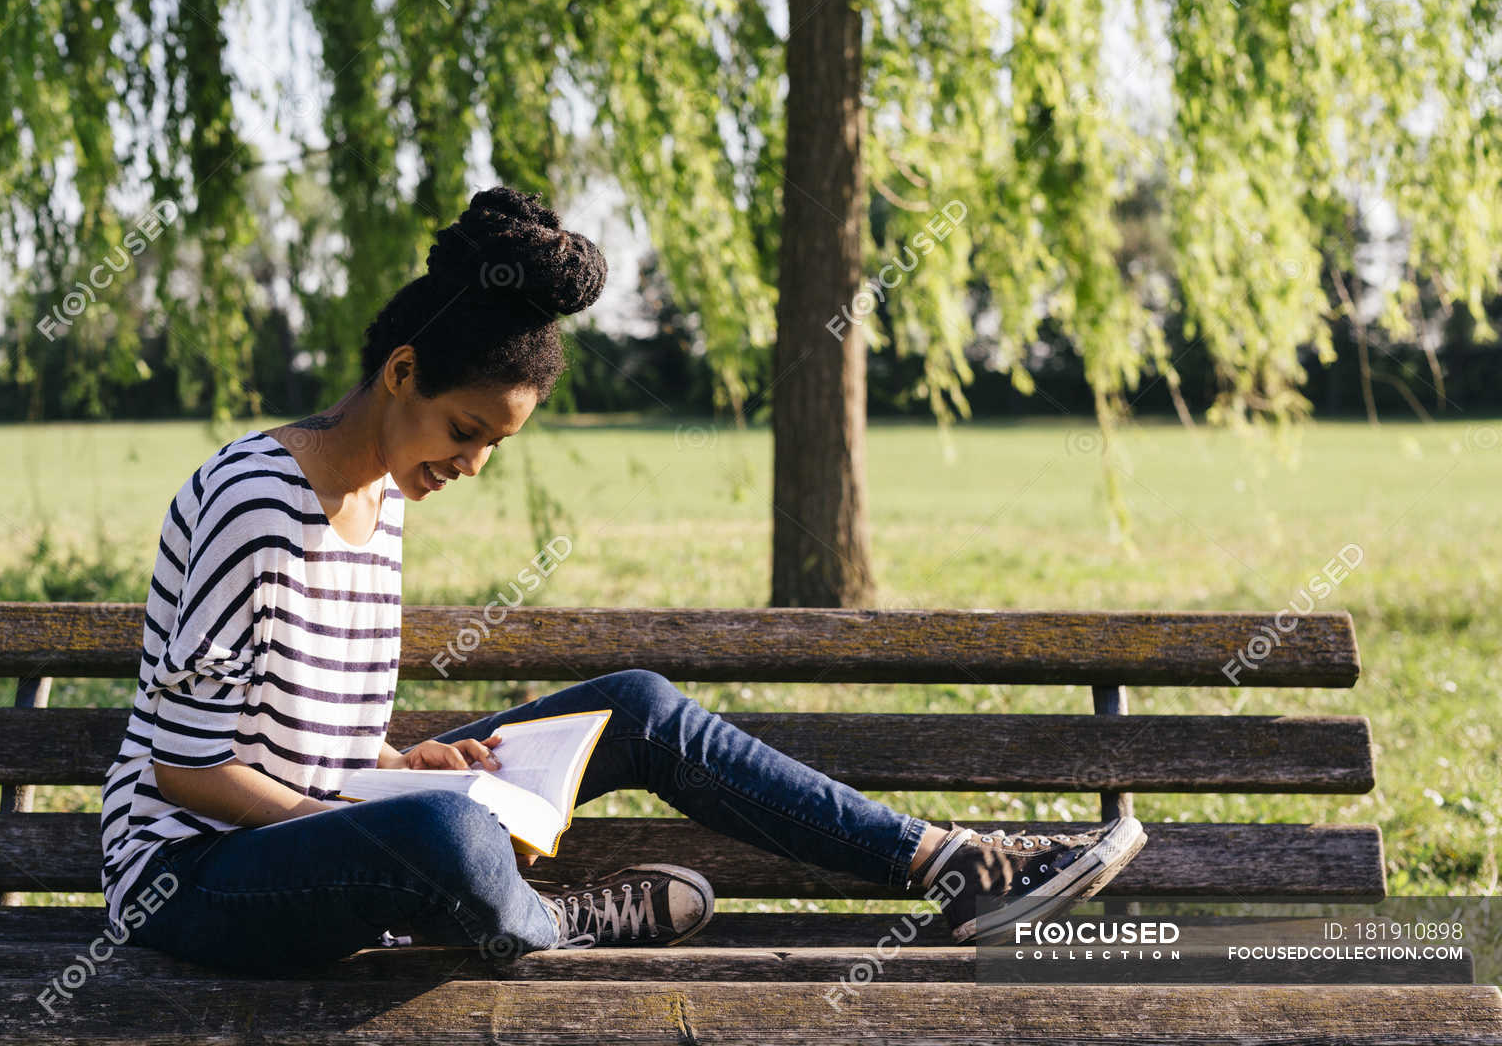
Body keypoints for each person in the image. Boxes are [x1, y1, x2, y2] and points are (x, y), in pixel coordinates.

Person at [101, 186, 1145, 976]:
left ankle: (946, 866)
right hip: (192, 879)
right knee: (449, 835)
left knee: (634, 710)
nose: (471, 465)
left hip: (326, 831)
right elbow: (189, 774)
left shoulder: (385, 503)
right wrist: (381, 813)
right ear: (402, 372)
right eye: (467, 431)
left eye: (494, 446)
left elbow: (308, 733)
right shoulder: (252, 496)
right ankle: (560, 919)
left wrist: (398, 759)